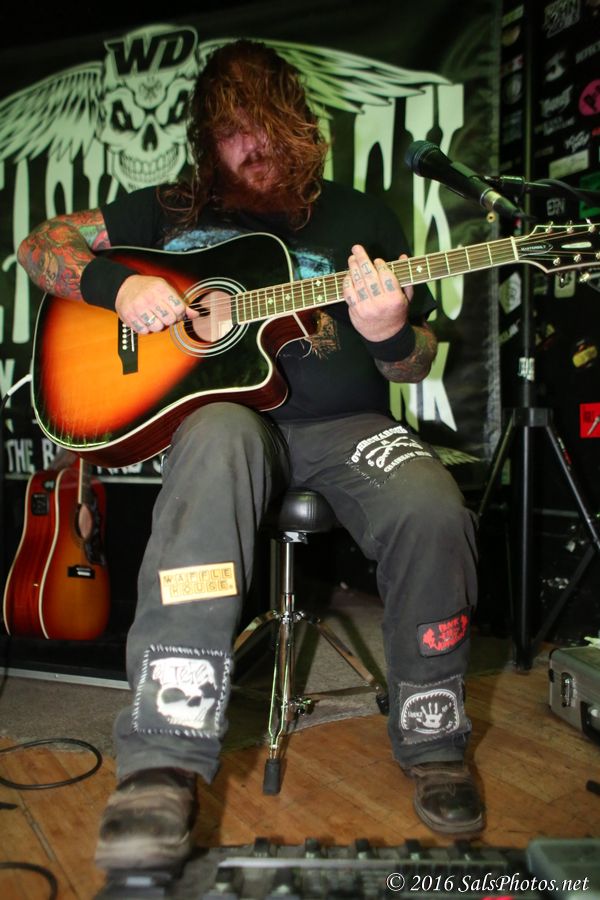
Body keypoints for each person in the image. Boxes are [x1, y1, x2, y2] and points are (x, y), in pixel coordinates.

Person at [18, 39, 484, 873]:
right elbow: (41, 244)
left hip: (345, 427)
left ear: (299, 125)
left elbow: (413, 362)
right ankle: (162, 761)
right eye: (233, 130)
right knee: (217, 446)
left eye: (268, 124)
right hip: (226, 424)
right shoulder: (173, 208)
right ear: (208, 139)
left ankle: (434, 735)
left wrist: (390, 336)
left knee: (431, 504)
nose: (254, 145)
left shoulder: (363, 218)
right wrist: (118, 286)